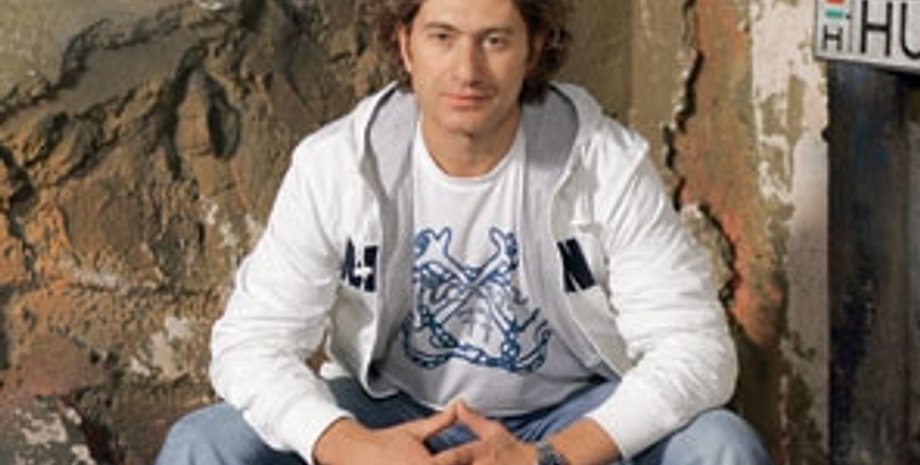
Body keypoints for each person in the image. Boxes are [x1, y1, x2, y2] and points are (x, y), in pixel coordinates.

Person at [156, 0, 773, 463]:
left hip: (566, 415)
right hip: (387, 413)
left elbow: (697, 351)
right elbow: (251, 344)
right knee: (205, 444)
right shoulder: (337, 164)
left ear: (534, 48)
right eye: (442, 37)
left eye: (495, 40)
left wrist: (550, 458)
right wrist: (349, 446)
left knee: (720, 445)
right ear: (406, 45)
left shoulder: (605, 163)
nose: (467, 69)